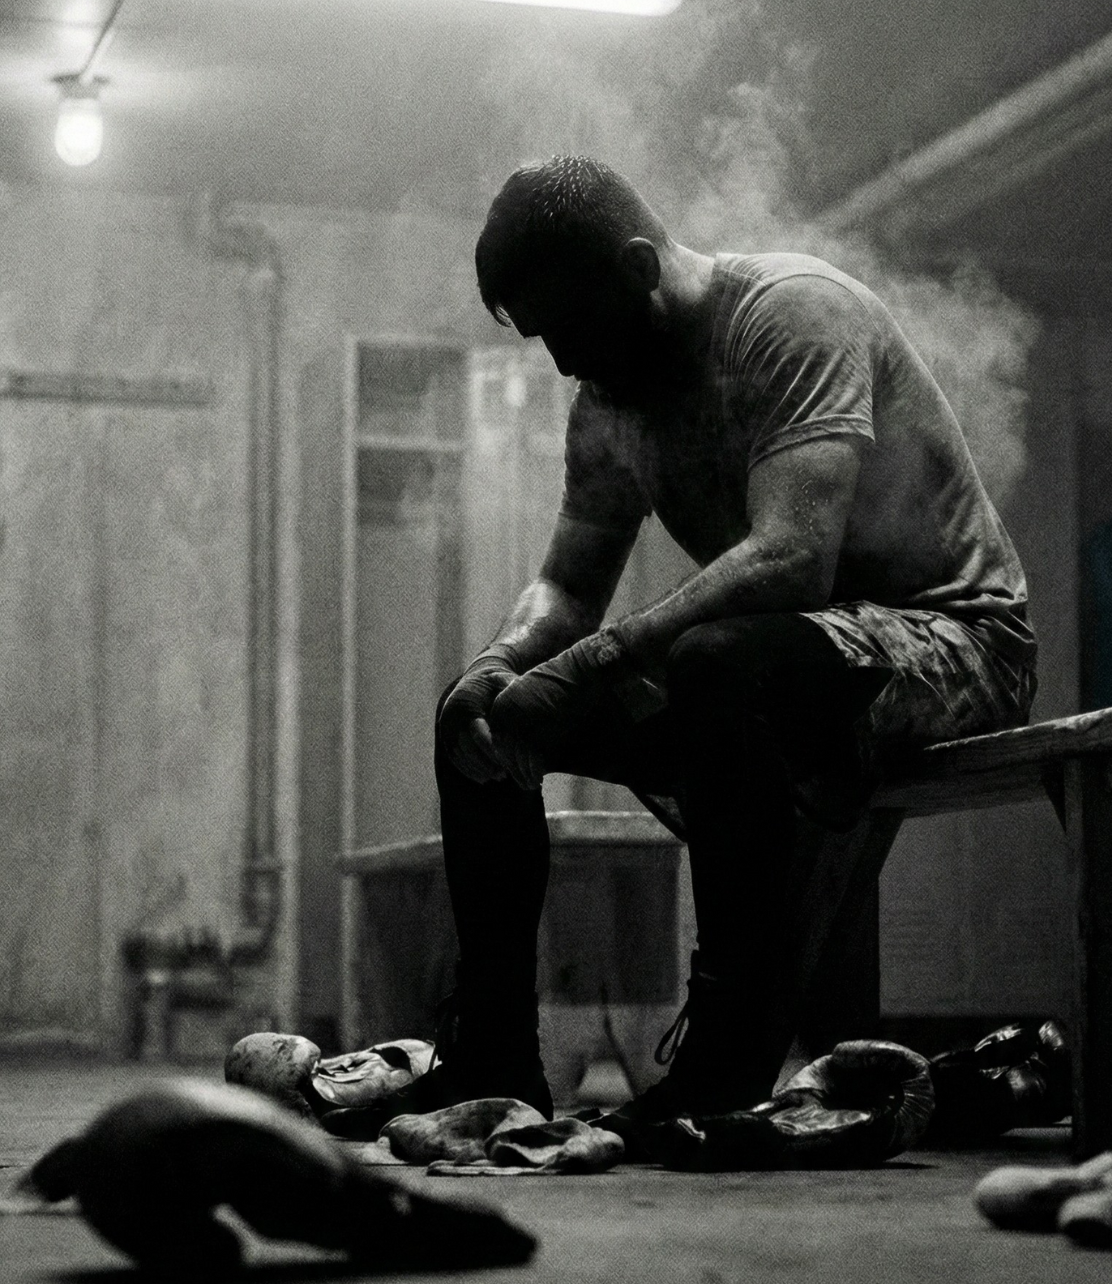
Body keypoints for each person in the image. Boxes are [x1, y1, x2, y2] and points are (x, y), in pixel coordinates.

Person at [369, 155, 1037, 1134]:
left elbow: (792, 560)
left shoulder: (789, 316)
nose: (562, 363)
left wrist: (591, 665)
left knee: (713, 662)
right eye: (543, 339)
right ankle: (493, 1062)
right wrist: (500, 669)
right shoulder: (609, 402)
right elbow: (565, 585)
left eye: (572, 328)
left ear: (639, 267)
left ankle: (723, 1066)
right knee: (472, 718)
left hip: (954, 639)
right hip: (780, 665)